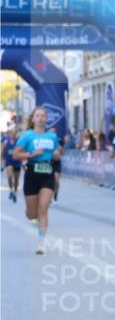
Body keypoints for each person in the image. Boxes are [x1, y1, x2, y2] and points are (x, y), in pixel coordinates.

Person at [13, 107, 63, 254]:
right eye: (38, 116)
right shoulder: (27, 136)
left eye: (43, 116)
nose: (40, 118)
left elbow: (57, 152)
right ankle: (31, 213)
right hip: (32, 174)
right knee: (31, 214)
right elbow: (16, 154)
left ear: (46, 119)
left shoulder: (52, 137)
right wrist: (32, 154)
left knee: (44, 208)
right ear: (33, 119)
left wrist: (56, 154)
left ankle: (41, 243)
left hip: (47, 173)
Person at [3, 124, 23, 203]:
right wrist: (2, 162)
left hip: (17, 162)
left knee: (16, 178)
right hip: (9, 161)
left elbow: (23, 151)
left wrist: (24, 162)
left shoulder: (19, 141)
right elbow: (2, 151)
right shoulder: (5, 141)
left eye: (14, 133)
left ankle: (15, 192)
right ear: (9, 134)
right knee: (10, 176)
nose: (12, 134)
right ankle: (11, 190)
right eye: (11, 133)